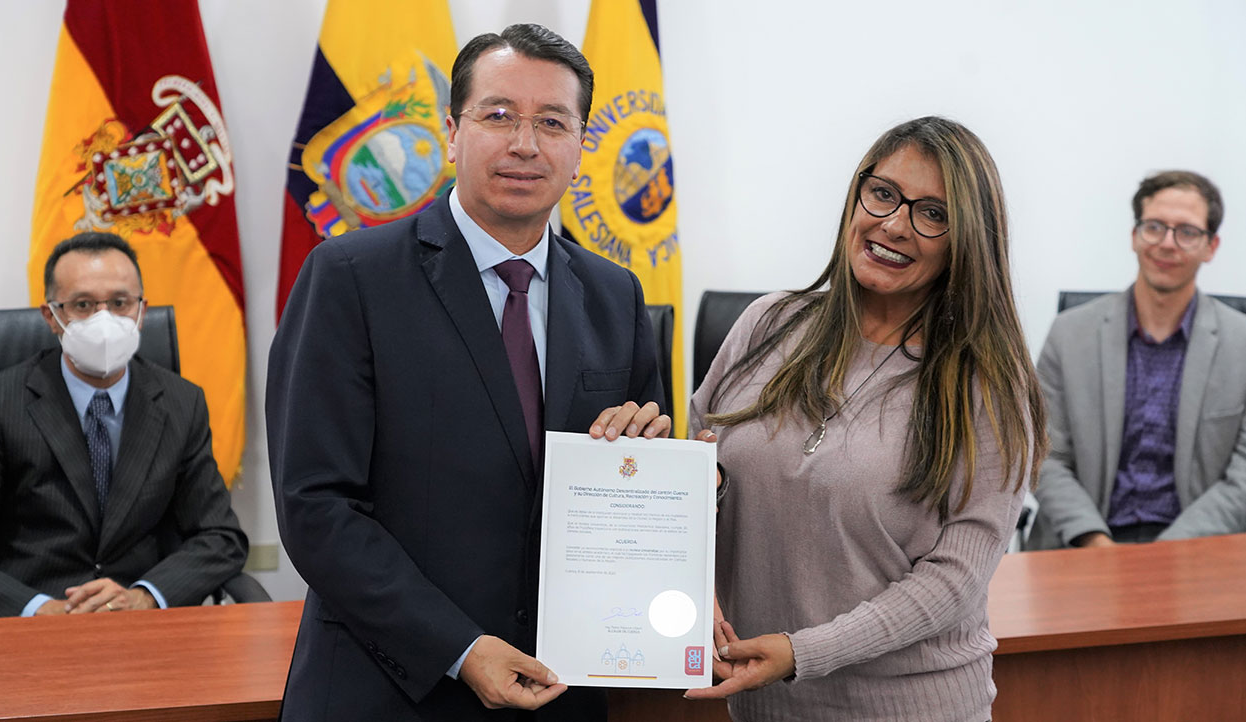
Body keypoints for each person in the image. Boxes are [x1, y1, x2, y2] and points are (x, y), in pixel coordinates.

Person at [266, 24, 668, 722]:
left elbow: (639, 486)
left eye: (551, 122)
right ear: (451, 131)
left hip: (560, 691)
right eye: (498, 115)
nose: (524, 143)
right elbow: (314, 506)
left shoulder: (614, 295)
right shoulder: (350, 277)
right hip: (387, 688)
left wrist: (652, 463)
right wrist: (458, 646)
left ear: (579, 146)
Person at [683, 117, 1047, 721]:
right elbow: (690, 475)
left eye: (933, 213)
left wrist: (802, 653)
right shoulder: (769, 324)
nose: (894, 224)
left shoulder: (986, 385)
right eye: (883, 193)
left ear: (967, 240)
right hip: (765, 707)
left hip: (909, 706)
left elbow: (953, 584)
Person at [0, 232, 248, 619]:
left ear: (142, 311)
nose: (104, 319)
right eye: (82, 305)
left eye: (119, 303)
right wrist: (37, 609)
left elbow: (220, 537)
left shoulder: (182, 403)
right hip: (31, 625)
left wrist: (145, 595)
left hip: (138, 622)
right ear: (52, 316)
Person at [1028, 171, 1246, 548]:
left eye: (1187, 231)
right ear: (1134, 236)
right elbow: (1043, 456)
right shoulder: (1069, 334)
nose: (1167, 243)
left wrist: (1164, 555)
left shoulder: (1240, 344)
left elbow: (1242, 479)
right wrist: (1093, 539)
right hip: (1083, 543)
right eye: (1154, 227)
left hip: (1198, 548)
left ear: (1211, 247)